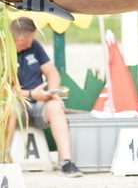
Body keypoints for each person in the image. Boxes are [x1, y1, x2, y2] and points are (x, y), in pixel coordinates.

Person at [7, 17, 83, 177]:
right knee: (9, 107)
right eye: (32, 37)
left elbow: (52, 72)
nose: (34, 39)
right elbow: (2, 90)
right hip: (17, 103)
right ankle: (3, 159)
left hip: (39, 103)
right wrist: (30, 94)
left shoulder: (34, 46)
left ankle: (66, 162)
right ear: (21, 40)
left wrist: (52, 92)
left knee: (55, 106)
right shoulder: (3, 51)